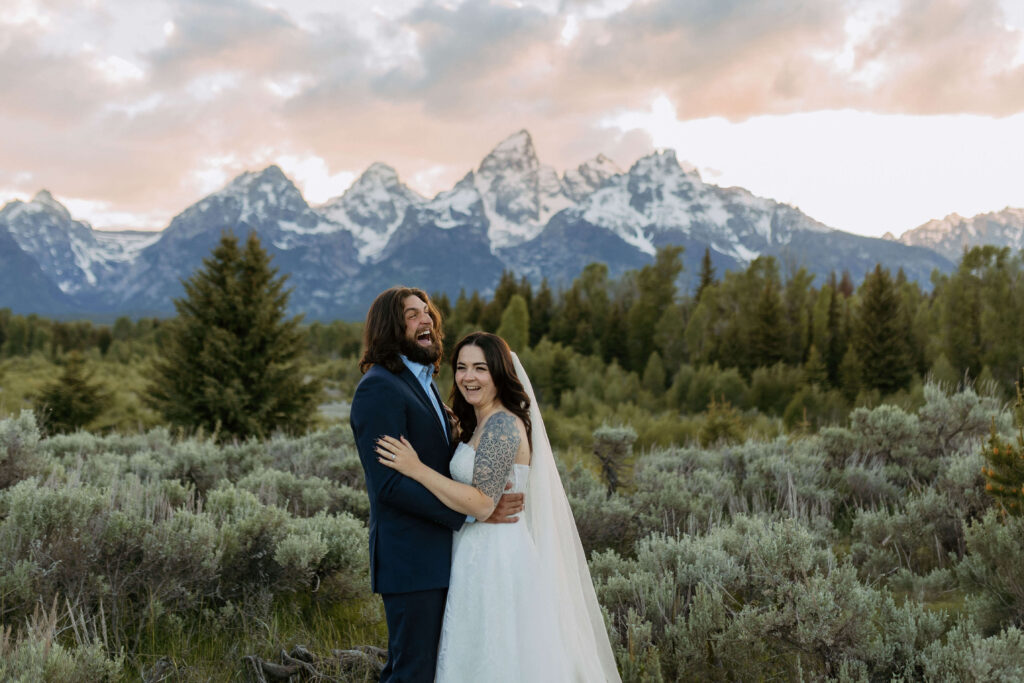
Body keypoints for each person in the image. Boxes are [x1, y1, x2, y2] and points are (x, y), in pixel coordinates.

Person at [376, 332, 621, 682]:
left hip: (496, 559)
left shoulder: (503, 425)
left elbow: (481, 502)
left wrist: (416, 469)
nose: (468, 377)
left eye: (480, 368)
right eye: (461, 367)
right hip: (475, 553)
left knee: (497, 658)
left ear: (499, 373)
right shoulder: (481, 424)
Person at [350, 288, 524, 683]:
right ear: (390, 327)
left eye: (427, 312)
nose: (426, 320)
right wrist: (471, 512)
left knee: (430, 669)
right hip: (411, 561)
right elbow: (389, 484)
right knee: (413, 672)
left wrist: (474, 507)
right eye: (412, 315)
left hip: (447, 558)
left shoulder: (424, 384)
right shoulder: (380, 388)